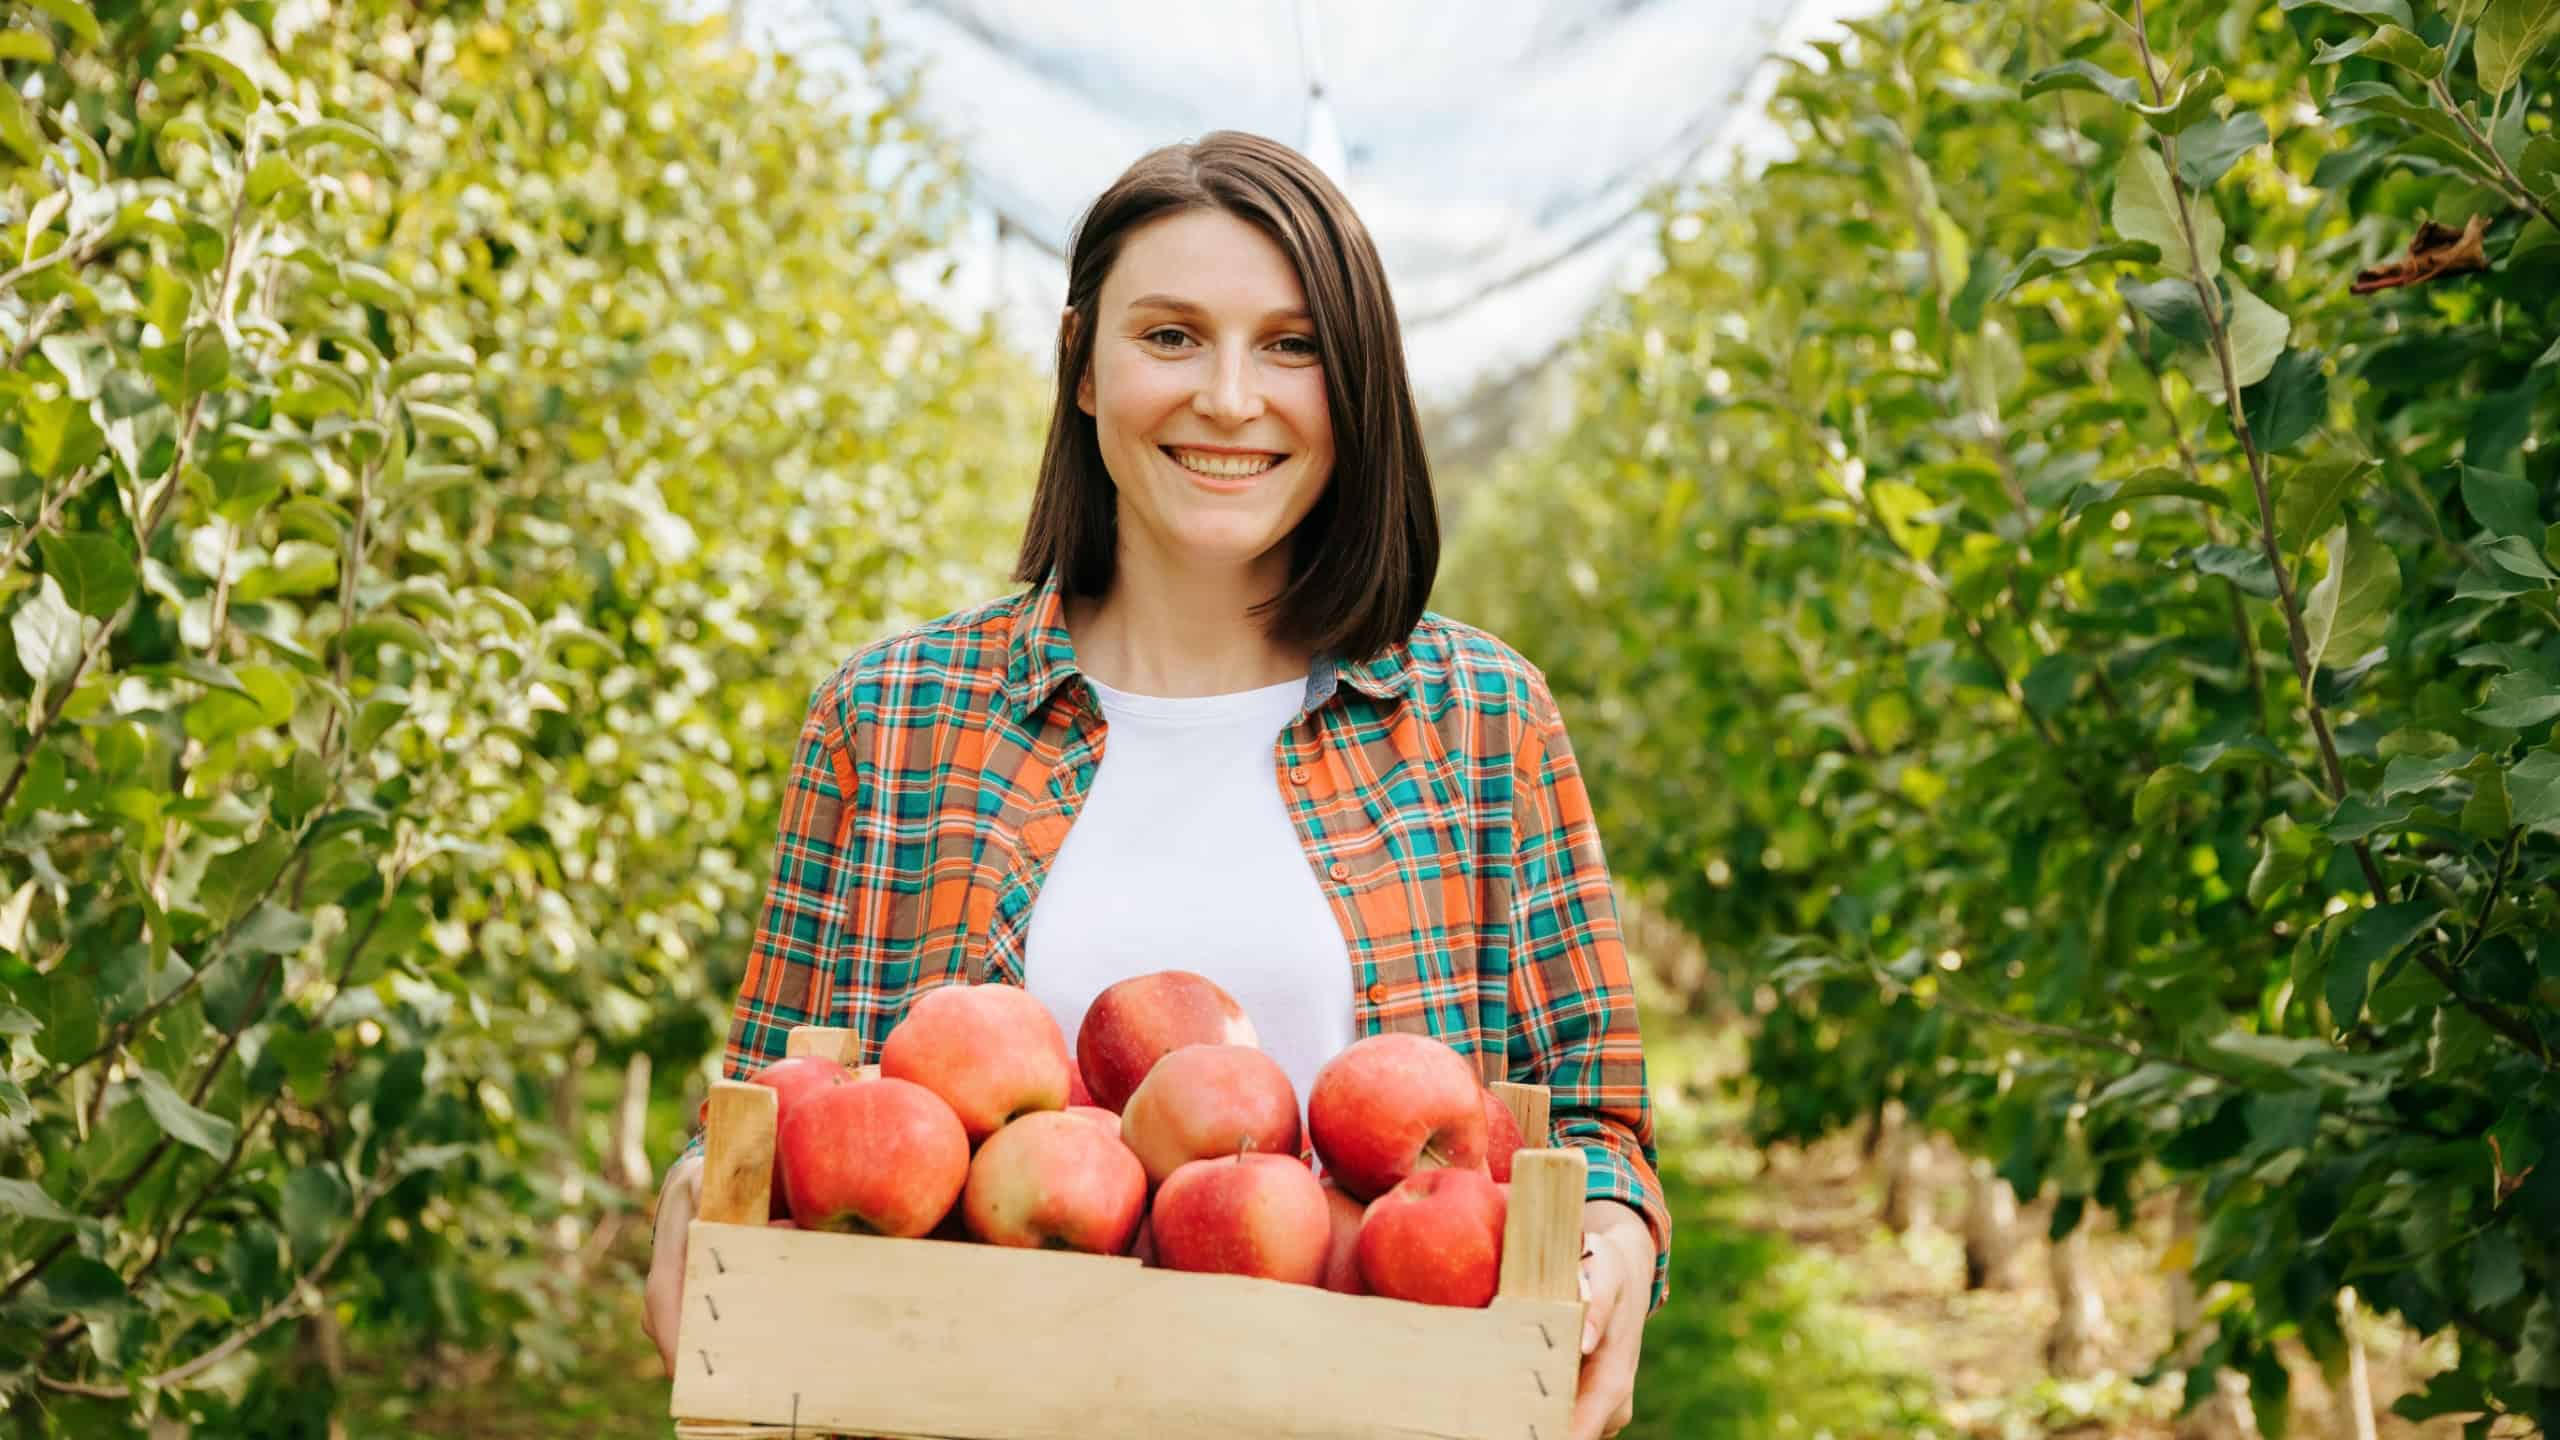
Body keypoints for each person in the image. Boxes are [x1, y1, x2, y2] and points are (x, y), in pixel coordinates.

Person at [641, 130, 1666, 1440]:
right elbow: (770, 1096)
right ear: (1082, 368)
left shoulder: (1480, 720)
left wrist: (1611, 1249)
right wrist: (691, 1194)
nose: (1230, 397)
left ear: (1353, 384)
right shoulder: (890, 718)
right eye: (1170, 336)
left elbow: (1593, 1117)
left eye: (1291, 346)